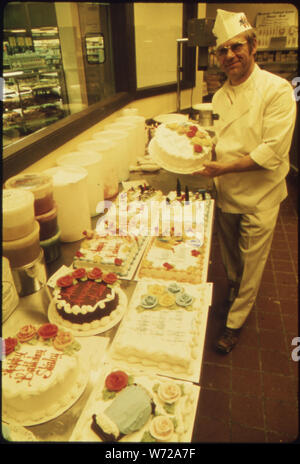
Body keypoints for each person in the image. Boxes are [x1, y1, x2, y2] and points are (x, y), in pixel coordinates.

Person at [194, 9, 297, 353]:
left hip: (260, 194)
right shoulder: (220, 96)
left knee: (252, 263)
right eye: (222, 51)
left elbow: (272, 152)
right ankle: (234, 290)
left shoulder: (277, 90)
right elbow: (217, 141)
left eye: (236, 47)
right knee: (230, 257)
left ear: (253, 46)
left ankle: (235, 322)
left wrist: (221, 169)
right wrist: (195, 147)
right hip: (226, 193)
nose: (229, 56)